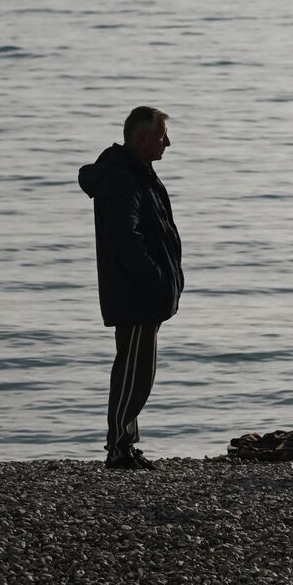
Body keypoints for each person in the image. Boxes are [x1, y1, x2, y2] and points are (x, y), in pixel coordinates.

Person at [79, 107, 183, 469]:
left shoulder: (137, 173)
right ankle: (118, 448)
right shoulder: (123, 178)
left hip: (141, 293)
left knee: (137, 371)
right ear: (142, 139)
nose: (167, 142)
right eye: (162, 135)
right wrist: (154, 277)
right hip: (136, 294)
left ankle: (124, 443)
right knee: (135, 374)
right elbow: (125, 237)